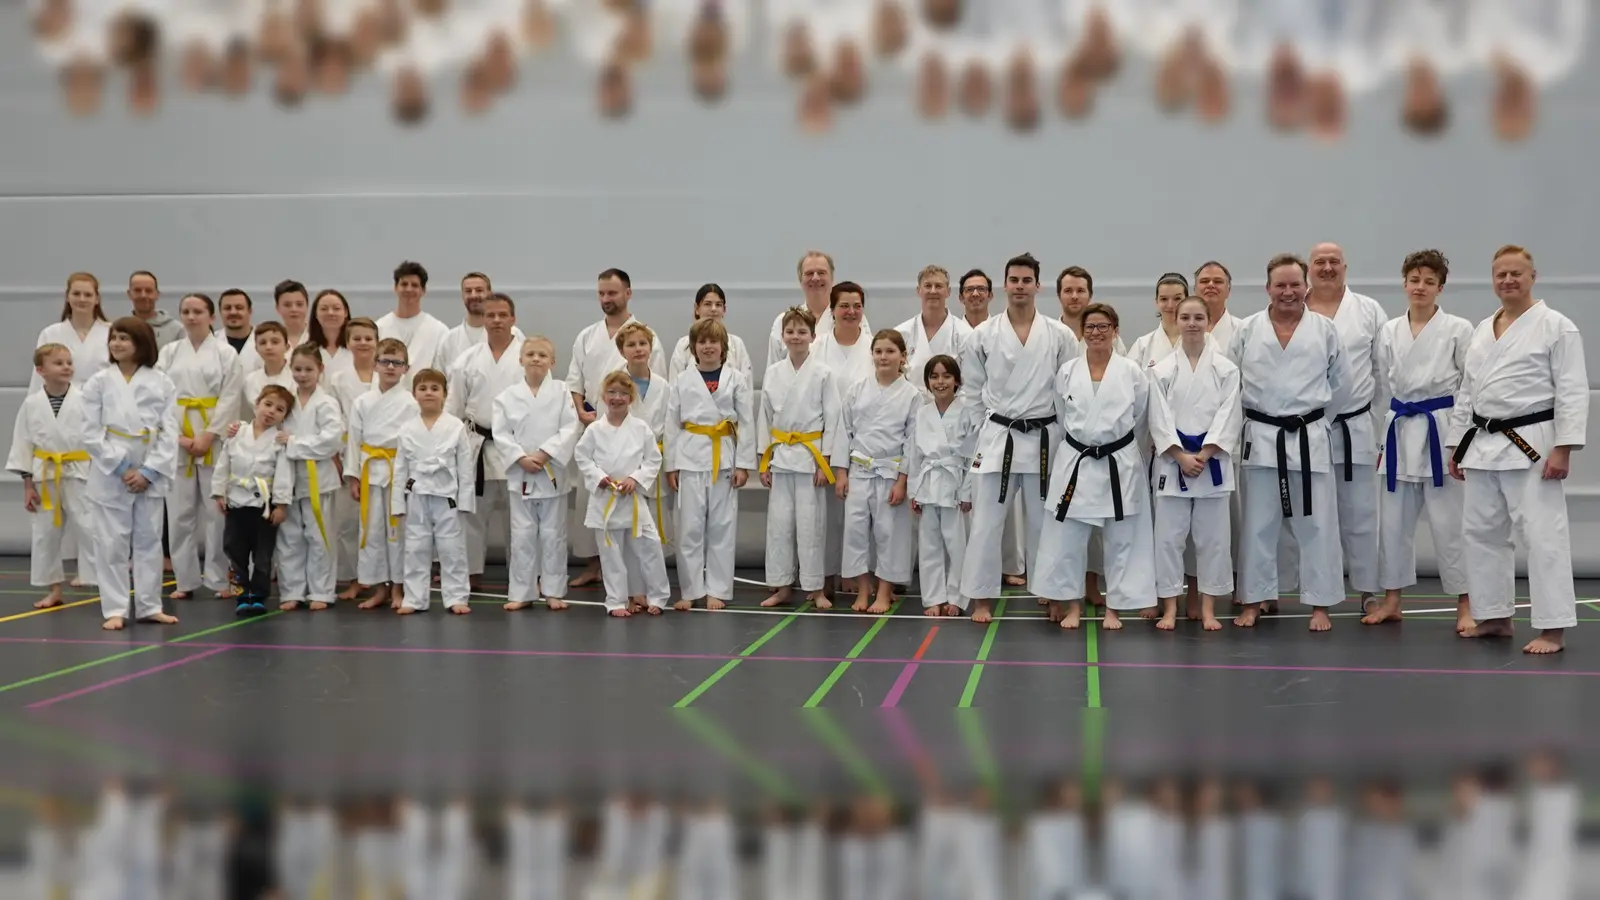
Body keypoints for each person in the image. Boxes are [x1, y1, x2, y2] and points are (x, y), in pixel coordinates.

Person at [1448, 245, 1586, 654]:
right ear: (1493, 279)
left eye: (1516, 273)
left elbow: (1573, 391)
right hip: (1483, 443)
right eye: (1500, 274)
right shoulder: (1482, 329)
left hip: (1532, 444)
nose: (1508, 280)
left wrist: (1564, 448)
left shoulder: (1556, 326)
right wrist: (1456, 444)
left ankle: (1553, 628)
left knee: (1544, 535)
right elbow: (1467, 391)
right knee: (1481, 533)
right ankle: (1494, 616)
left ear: (1532, 277)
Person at [1229, 253, 1348, 631]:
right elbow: (1232, 385)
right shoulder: (1247, 330)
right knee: (1258, 525)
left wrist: (1313, 422)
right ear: (1267, 288)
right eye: (1280, 285)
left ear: (1306, 287)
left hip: (1308, 437)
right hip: (1262, 439)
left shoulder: (1325, 329)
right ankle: (1254, 598)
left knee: (1316, 525)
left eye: (1295, 284)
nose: (1288, 292)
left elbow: (1340, 385)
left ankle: (1320, 605)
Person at [959, 252, 1079, 624]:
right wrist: (987, 428)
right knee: (986, 523)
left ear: (1037, 286)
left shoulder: (1059, 335)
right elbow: (971, 390)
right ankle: (980, 597)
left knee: (1048, 522)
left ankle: (1052, 592)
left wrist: (1063, 435)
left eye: (1027, 280)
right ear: (1005, 285)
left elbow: (1068, 389)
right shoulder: (983, 334)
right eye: (1014, 280)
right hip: (999, 437)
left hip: (1045, 437)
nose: (1020, 286)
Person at [1364, 249, 1474, 631]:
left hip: (1440, 429)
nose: (1420, 287)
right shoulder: (1389, 330)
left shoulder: (1459, 329)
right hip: (1397, 431)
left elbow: (1469, 387)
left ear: (1440, 287)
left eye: (1429, 281)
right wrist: (1381, 441)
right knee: (1392, 523)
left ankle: (1465, 602)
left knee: (1450, 522)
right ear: (1405, 283)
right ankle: (1392, 600)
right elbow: (1380, 387)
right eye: (1415, 280)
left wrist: (1458, 441)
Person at [1034, 303, 1156, 631]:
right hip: (1076, 461)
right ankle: (1072, 605)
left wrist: (1123, 449)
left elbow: (1141, 419)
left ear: (1115, 331)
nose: (1096, 333)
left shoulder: (1132, 373)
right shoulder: (1067, 372)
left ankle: (1115, 608)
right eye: (1090, 327)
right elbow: (1061, 415)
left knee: (1122, 539)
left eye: (1103, 327)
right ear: (1082, 332)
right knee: (1068, 539)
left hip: (1119, 462)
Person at [566, 269, 668, 589]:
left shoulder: (647, 336)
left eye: (613, 292)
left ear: (628, 293)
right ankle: (595, 566)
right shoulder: (587, 336)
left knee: (635, 514)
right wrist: (583, 412)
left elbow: (654, 387)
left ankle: (636, 583)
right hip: (597, 430)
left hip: (636, 436)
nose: (607, 299)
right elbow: (574, 383)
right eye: (602, 294)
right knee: (594, 503)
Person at [81, 317, 182, 630]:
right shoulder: (98, 381)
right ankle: (115, 608)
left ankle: (150, 605)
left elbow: (170, 429)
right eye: (114, 338)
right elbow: (89, 431)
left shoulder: (161, 381)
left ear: (142, 343)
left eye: (124, 338)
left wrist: (150, 470)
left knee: (149, 541)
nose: (116, 343)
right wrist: (123, 467)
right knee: (111, 542)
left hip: (150, 464)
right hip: (112, 468)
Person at [1147, 297, 1241, 631]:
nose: (1191, 323)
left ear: (1208, 321)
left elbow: (1230, 415)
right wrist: (1180, 455)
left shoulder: (1226, 369)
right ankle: (1170, 607)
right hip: (1174, 465)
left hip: (1210, 463)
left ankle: (1208, 607)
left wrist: (1203, 454)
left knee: (1213, 540)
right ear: (1176, 320)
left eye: (1198, 317)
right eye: (1185, 317)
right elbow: (1157, 419)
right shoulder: (1160, 370)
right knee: (1168, 540)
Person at [1303, 242, 1386, 612]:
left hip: (1356, 426)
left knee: (1362, 513)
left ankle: (1369, 589)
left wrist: (1379, 425)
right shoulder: (1293, 307)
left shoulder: (1368, 310)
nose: (1326, 267)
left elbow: (1383, 372)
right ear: (1308, 268)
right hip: (1305, 429)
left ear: (1345, 267)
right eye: (1319, 262)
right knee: (1313, 514)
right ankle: (1318, 592)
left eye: (1333, 262)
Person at [758, 307, 846, 610]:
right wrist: (763, 459)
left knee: (812, 525)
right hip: (781, 456)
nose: (795, 337)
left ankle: (815, 587)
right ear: (782, 336)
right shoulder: (772, 372)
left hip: (810, 459)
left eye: (801, 331)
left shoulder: (822, 373)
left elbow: (833, 418)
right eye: (790, 331)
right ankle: (781, 586)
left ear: (812, 336)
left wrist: (826, 460)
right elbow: (764, 418)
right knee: (779, 526)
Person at [664, 318, 755, 612]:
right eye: (702, 342)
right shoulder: (681, 380)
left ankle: (717, 589)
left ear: (723, 347)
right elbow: (671, 424)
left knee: (722, 527)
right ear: (693, 348)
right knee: (689, 528)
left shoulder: (736, 379)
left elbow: (747, 423)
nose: (707, 347)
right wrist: (671, 466)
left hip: (724, 458)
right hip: (690, 456)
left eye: (713, 342)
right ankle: (690, 590)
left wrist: (743, 464)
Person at [158, 293, 240, 601]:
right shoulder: (168, 352)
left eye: (198, 311)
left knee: (216, 514)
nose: (191, 317)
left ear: (211, 317)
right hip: (177, 440)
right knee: (179, 514)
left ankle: (219, 578)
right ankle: (185, 580)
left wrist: (208, 435)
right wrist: (178, 436)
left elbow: (231, 396)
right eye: (186, 311)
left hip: (213, 441)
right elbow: (158, 395)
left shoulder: (224, 353)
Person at [492, 336, 583, 612]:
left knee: (554, 534)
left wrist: (544, 454)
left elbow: (569, 428)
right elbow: (501, 433)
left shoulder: (562, 392)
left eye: (542, 355)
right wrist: (520, 458)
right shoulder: (506, 397)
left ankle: (554, 590)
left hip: (551, 471)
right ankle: (522, 591)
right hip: (521, 474)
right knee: (522, 535)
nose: (535, 359)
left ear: (552, 362)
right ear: (520, 359)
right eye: (530, 354)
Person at [833, 329, 920, 614]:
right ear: (872, 355)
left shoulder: (912, 395)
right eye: (879, 351)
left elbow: (912, 441)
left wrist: (903, 481)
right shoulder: (857, 389)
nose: (883, 357)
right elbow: (844, 432)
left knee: (889, 533)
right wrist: (842, 472)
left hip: (891, 472)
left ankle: (884, 592)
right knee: (855, 531)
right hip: (860, 470)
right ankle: (863, 589)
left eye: (890, 351)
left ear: (902, 357)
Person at [574, 370, 673, 617]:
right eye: (612, 392)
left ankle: (658, 596)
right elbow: (582, 457)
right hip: (606, 499)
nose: (617, 397)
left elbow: (653, 459)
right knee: (611, 554)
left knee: (650, 547)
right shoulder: (595, 429)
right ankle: (616, 601)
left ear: (632, 398)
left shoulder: (641, 428)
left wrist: (635, 478)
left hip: (633, 498)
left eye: (623, 393)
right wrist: (599, 478)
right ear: (603, 395)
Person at [445, 292, 523, 587]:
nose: (497, 320)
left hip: (517, 447)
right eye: (491, 315)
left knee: (520, 519)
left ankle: (523, 574)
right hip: (478, 445)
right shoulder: (467, 360)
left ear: (513, 318)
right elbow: (453, 410)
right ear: (483, 319)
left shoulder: (527, 356)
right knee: (473, 515)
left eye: (503, 315)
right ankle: (471, 573)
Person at [8, 344, 94, 608]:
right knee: (45, 533)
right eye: (58, 363)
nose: (66, 367)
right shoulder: (32, 404)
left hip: (80, 472)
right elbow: (23, 444)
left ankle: (105, 586)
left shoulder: (86, 398)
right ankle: (54, 588)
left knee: (91, 528)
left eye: (69, 362)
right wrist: (27, 486)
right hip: (44, 475)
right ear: (40, 371)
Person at [393, 368, 476, 615]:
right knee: (415, 547)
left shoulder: (455, 426)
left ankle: (457, 597)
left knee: (452, 548)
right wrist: (397, 503)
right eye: (423, 388)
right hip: (417, 493)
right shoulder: (407, 428)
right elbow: (400, 468)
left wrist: (466, 501)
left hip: (447, 495)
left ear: (444, 394)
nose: (428, 393)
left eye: (434, 388)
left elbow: (465, 467)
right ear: (414, 394)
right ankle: (414, 598)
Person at [345, 338, 419, 610]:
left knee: (397, 531)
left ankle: (399, 588)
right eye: (385, 361)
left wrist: (411, 479)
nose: (390, 367)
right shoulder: (362, 401)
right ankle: (378, 588)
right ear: (375, 365)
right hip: (369, 469)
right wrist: (353, 476)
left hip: (398, 470)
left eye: (397, 362)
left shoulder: (411, 402)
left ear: (406, 368)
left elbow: (414, 442)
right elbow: (353, 440)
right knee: (372, 531)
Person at [212, 385, 295, 616]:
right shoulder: (237, 432)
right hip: (237, 502)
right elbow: (223, 464)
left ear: (284, 416)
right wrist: (219, 493)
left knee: (263, 554)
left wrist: (281, 505)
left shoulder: (279, 440)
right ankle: (240, 594)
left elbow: (283, 474)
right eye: (267, 404)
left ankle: (258, 594)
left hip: (264, 506)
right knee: (235, 551)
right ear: (257, 404)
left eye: (279, 409)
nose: (271, 412)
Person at [277, 344, 345, 611]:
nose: (302, 375)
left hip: (321, 479)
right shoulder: (286, 400)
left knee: (320, 537)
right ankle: (292, 590)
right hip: (289, 479)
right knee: (290, 537)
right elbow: (272, 430)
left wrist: (293, 443)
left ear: (320, 370)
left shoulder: (327, 402)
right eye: (297, 369)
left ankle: (322, 591)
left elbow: (331, 442)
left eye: (308, 369)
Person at [907, 354, 974, 617]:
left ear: (957, 381)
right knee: (929, 544)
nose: (940, 381)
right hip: (928, 482)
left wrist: (968, 491)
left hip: (956, 483)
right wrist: (914, 490)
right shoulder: (923, 413)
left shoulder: (967, 411)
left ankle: (957, 597)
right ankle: (933, 597)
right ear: (926, 382)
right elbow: (914, 455)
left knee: (957, 544)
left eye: (946, 376)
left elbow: (972, 456)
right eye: (934, 376)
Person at [331, 317, 380, 599]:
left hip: (381, 457)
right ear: (347, 343)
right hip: (348, 453)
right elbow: (333, 420)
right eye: (356, 338)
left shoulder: (387, 375)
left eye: (368, 338)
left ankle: (380, 581)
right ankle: (353, 579)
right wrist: (340, 459)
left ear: (376, 341)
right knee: (348, 524)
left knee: (378, 523)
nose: (363, 343)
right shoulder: (338, 380)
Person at [765, 250, 849, 372]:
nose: (815, 278)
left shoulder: (849, 317)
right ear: (800, 280)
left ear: (832, 278)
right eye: (809, 273)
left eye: (821, 273)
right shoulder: (783, 321)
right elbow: (772, 372)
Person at [30, 272, 110, 393]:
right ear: (68, 297)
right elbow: (39, 378)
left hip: (103, 402)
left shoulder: (113, 333)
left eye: (88, 295)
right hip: (63, 404)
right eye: (76, 294)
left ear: (97, 299)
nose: (82, 299)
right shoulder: (51, 333)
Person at [895, 265, 973, 388]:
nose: (933, 291)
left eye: (938, 286)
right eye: (927, 286)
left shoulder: (965, 334)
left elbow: (970, 383)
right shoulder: (901, 333)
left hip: (953, 405)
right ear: (918, 290)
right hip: (910, 405)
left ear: (948, 291)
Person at [376, 260, 452, 381]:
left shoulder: (439, 331)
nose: (409, 289)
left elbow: (443, 374)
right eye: (404, 284)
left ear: (423, 290)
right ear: (395, 288)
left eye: (415, 285)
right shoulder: (379, 327)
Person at [669, 283, 753, 382]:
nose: (713, 309)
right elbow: (674, 386)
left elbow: (746, 385)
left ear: (724, 310)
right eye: (707, 304)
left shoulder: (736, 344)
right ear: (696, 309)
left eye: (718, 305)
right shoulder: (683, 345)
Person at [234, 322, 294, 424]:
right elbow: (247, 417)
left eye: (275, 342)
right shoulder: (250, 381)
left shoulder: (298, 377)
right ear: (256, 349)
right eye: (262, 343)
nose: (269, 347)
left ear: (287, 346)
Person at [1126, 273, 1191, 368]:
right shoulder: (1142, 345)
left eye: (1177, 298)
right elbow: (1128, 379)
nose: (1170, 305)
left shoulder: (1204, 340)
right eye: (1164, 299)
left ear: (1187, 300)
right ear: (1157, 302)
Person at [126, 270, 182, 347]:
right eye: (137, 290)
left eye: (148, 291)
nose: (143, 295)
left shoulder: (177, 330)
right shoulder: (121, 329)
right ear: (129, 294)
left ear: (157, 295)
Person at [309, 288, 353, 379]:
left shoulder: (357, 347)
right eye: (324, 309)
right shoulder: (307, 350)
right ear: (316, 314)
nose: (330, 313)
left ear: (345, 313)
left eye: (336, 308)